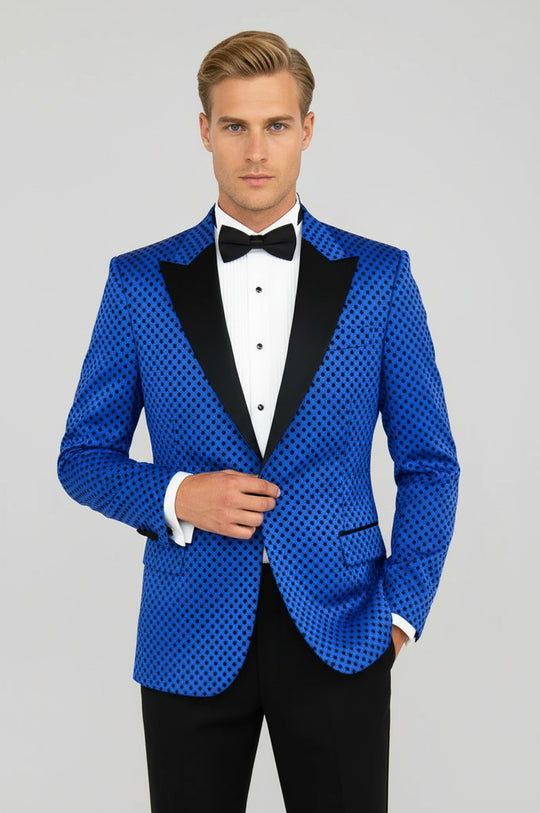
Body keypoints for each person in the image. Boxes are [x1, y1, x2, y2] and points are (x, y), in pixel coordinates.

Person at [58, 30, 459, 813]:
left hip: (344, 623)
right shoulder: (139, 283)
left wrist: (401, 612)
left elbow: (429, 462)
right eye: (234, 126)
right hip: (188, 628)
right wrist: (177, 496)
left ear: (307, 129)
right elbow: (83, 455)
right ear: (204, 131)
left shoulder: (380, 279)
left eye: (275, 125)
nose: (255, 150)